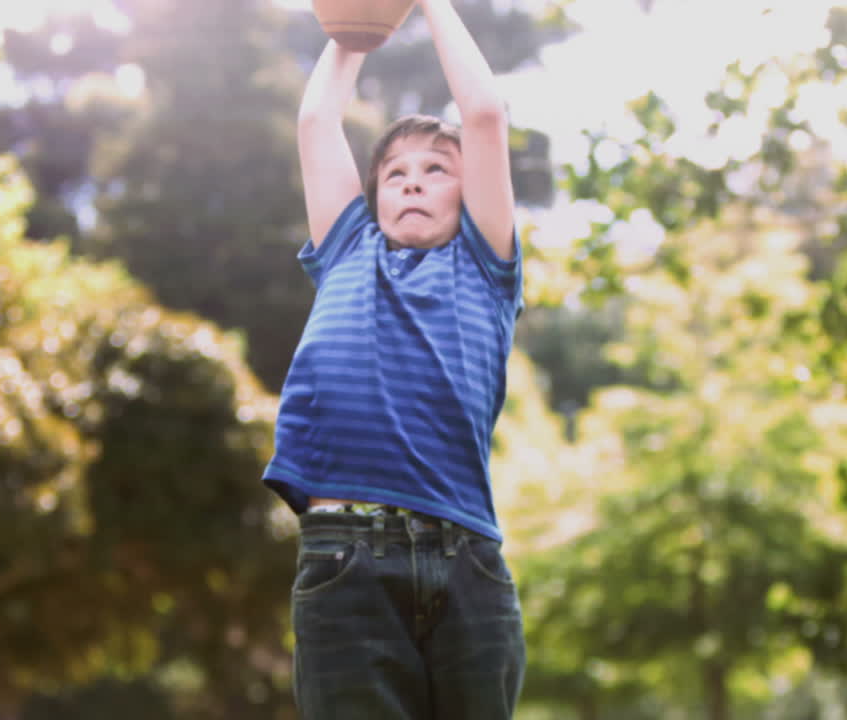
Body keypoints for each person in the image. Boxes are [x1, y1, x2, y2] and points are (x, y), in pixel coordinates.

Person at [260, 0, 526, 717]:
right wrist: (357, 27)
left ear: (471, 192)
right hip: (345, 560)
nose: (410, 180)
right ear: (373, 196)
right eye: (395, 172)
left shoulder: (484, 263)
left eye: (436, 169)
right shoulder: (349, 248)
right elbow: (317, 120)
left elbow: (486, 117)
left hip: (466, 561)